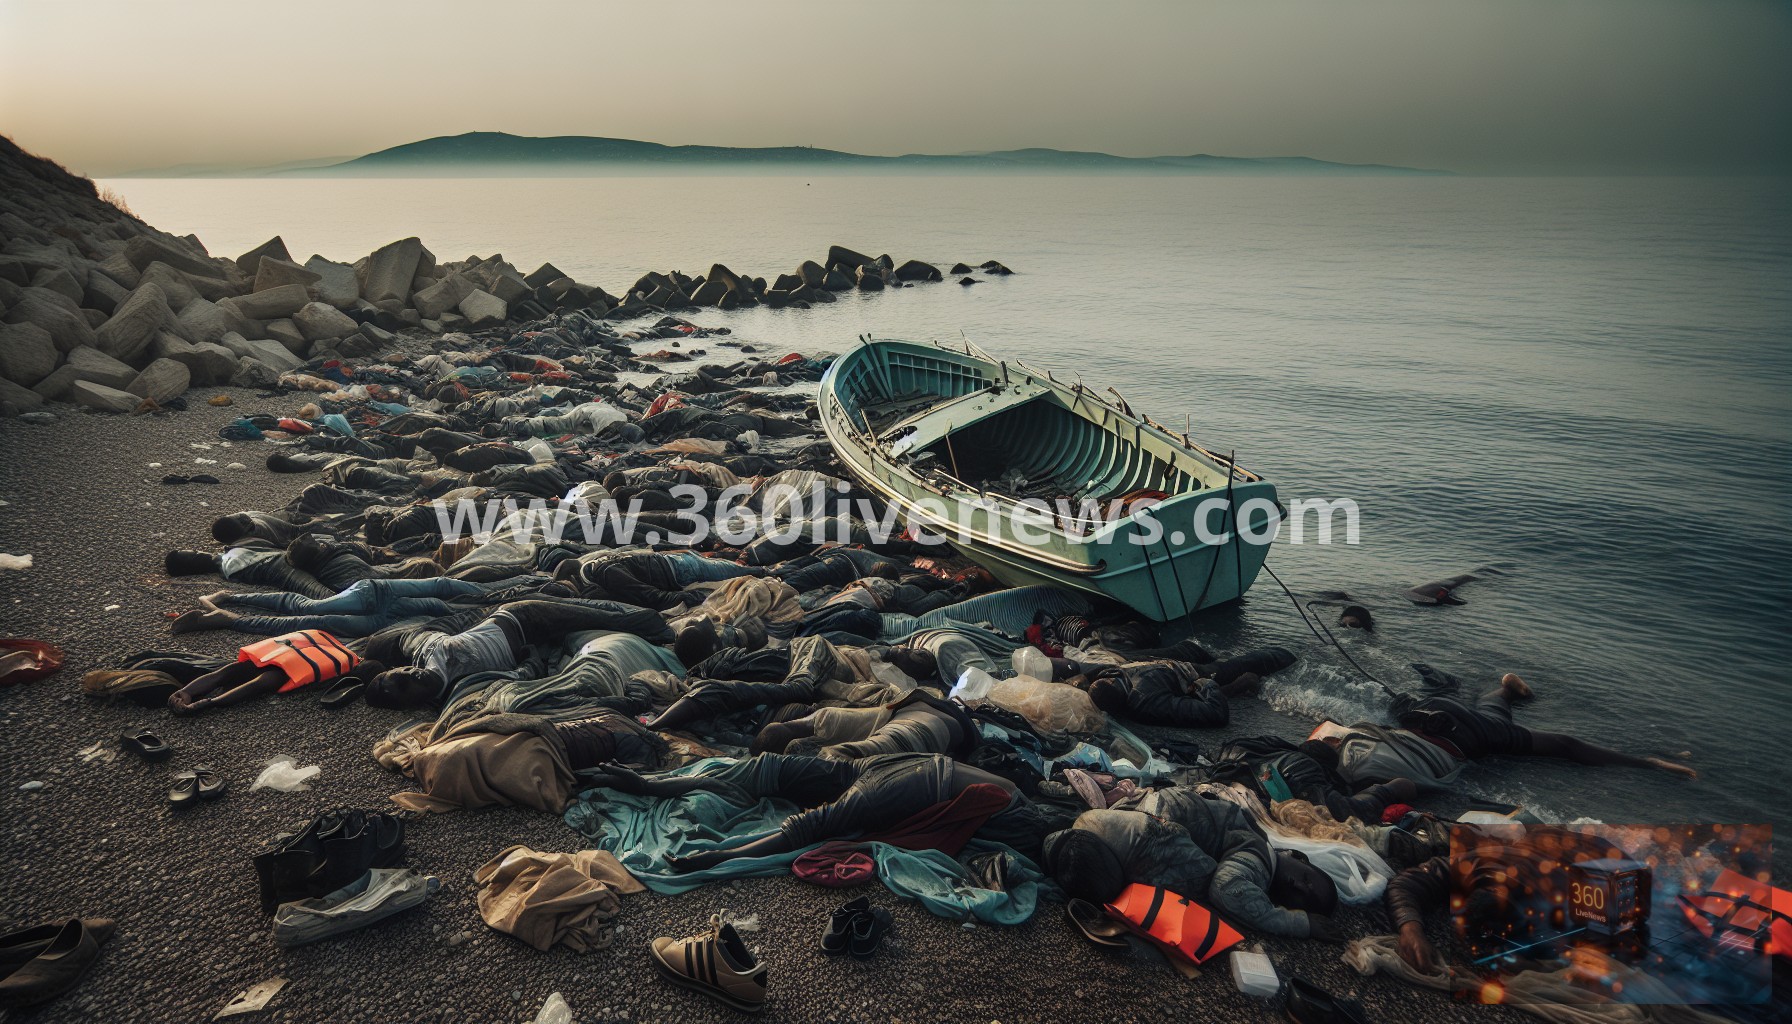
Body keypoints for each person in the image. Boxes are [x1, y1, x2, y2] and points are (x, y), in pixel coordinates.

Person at [1041, 786, 1342, 939]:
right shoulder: (1259, 858)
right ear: (1299, 858)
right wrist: (1299, 923)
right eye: (1308, 880)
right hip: (1149, 833)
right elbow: (1228, 888)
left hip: (1137, 815)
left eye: (1302, 898)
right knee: (1209, 888)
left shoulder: (1253, 835)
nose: (1297, 886)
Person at [1322, 666, 1696, 784]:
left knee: (1543, 736)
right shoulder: (1364, 738)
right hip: (1430, 713)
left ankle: (1506, 689)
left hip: (1463, 731)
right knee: (1490, 707)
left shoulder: (1359, 775)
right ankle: (1506, 687)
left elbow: (1567, 745)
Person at [365, 598, 673, 709]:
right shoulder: (457, 692)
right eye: (404, 686)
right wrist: (530, 658)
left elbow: (415, 634)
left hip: (518, 615)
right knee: (603, 620)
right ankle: (667, 633)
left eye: (402, 672)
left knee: (602, 615)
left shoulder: (425, 652)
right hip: (528, 636)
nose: (410, 675)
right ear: (408, 703)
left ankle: (661, 624)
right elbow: (519, 677)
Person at [168, 576, 498, 637]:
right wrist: (486, 592)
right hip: (375, 594)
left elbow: (444, 603)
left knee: (313, 621)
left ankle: (230, 619)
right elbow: (441, 584)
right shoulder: (442, 597)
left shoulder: (446, 612)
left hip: (381, 619)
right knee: (308, 608)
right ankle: (230, 600)